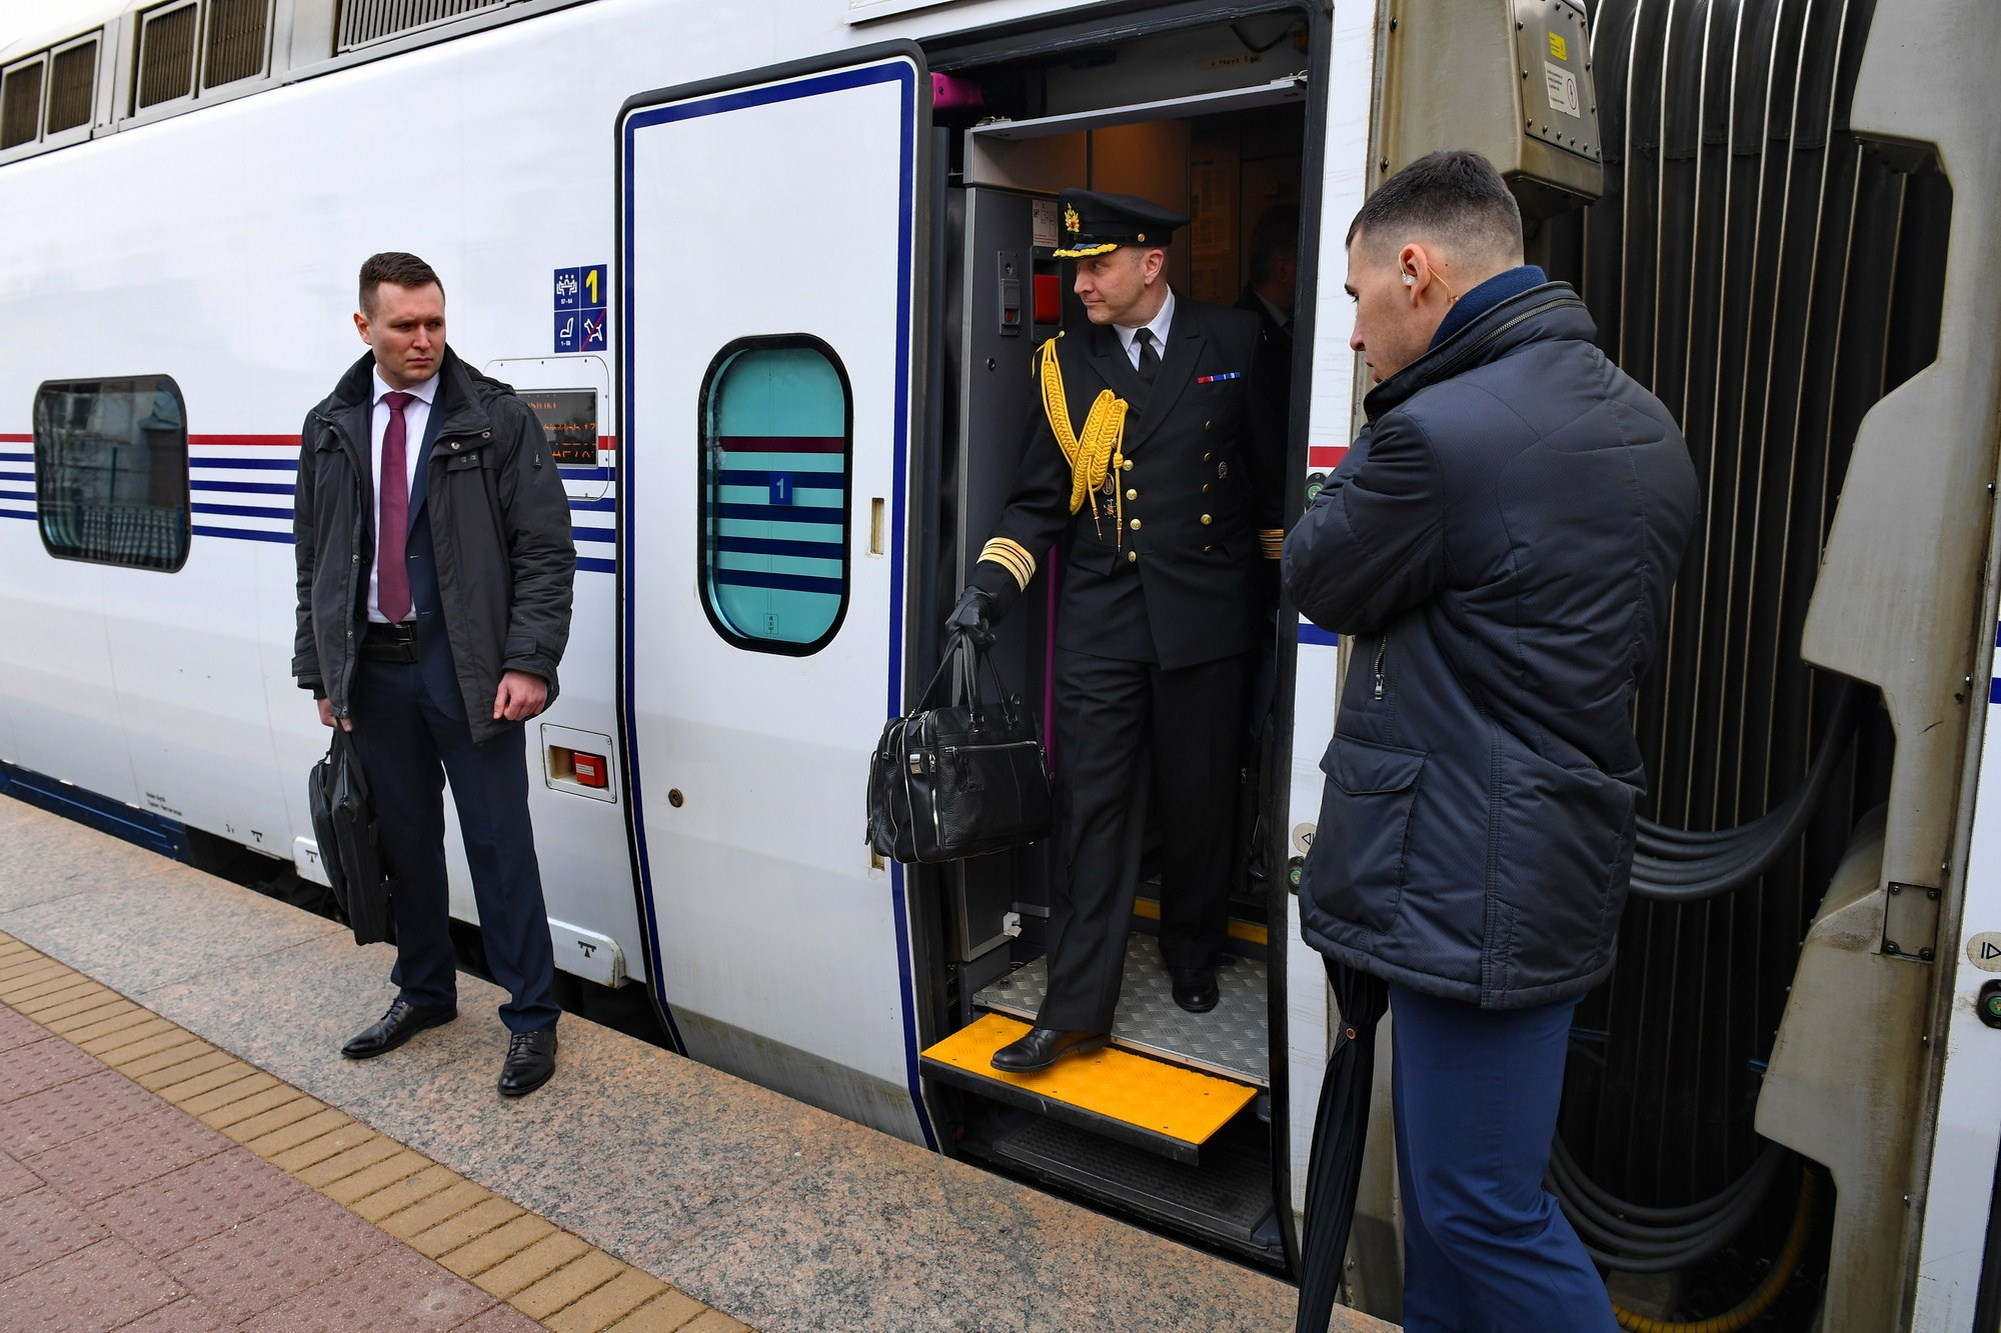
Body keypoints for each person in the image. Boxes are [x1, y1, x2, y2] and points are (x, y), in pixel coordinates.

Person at [1284, 151, 1700, 1329]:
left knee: (1477, 1211)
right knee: (1459, 1201)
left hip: (1465, 876)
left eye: (1360, 300)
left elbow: (1321, 578)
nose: (1357, 337)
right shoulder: (1642, 422)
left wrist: (1383, 428)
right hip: (1553, 859)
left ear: (1416, 271)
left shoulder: (1440, 435)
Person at [949, 189, 1285, 1073]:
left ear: (1151, 263)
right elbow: (1035, 503)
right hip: (1101, 621)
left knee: (1200, 798)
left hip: (1208, 618)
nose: (1080, 285)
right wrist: (988, 589)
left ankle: (1191, 950)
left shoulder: (1238, 342)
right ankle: (1073, 1006)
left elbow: (1266, 487)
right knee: (1090, 809)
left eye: (1096, 266)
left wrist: (1282, 600)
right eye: (1072, 269)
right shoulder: (1063, 362)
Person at [294, 252, 577, 1097]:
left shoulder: (493, 418)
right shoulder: (331, 425)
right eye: (404, 325)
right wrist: (322, 669)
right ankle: (425, 991)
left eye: (435, 323)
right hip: (375, 675)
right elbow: (314, 563)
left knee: (499, 846)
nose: (423, 340)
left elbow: (545, 550)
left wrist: (530, 660)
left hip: (468, 669)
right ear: (363, 327)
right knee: (404, 843)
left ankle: (532, 1019)